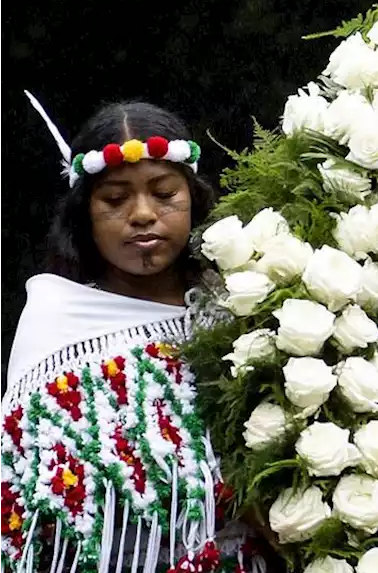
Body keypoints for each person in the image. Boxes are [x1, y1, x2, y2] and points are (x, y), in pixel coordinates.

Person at [0, 100, 256, 572]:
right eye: (115, 200)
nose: (142, 214)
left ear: (194, 200)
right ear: (85, 215)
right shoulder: (57, 329)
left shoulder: (245, 304)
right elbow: (37, 515)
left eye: (164, 194)